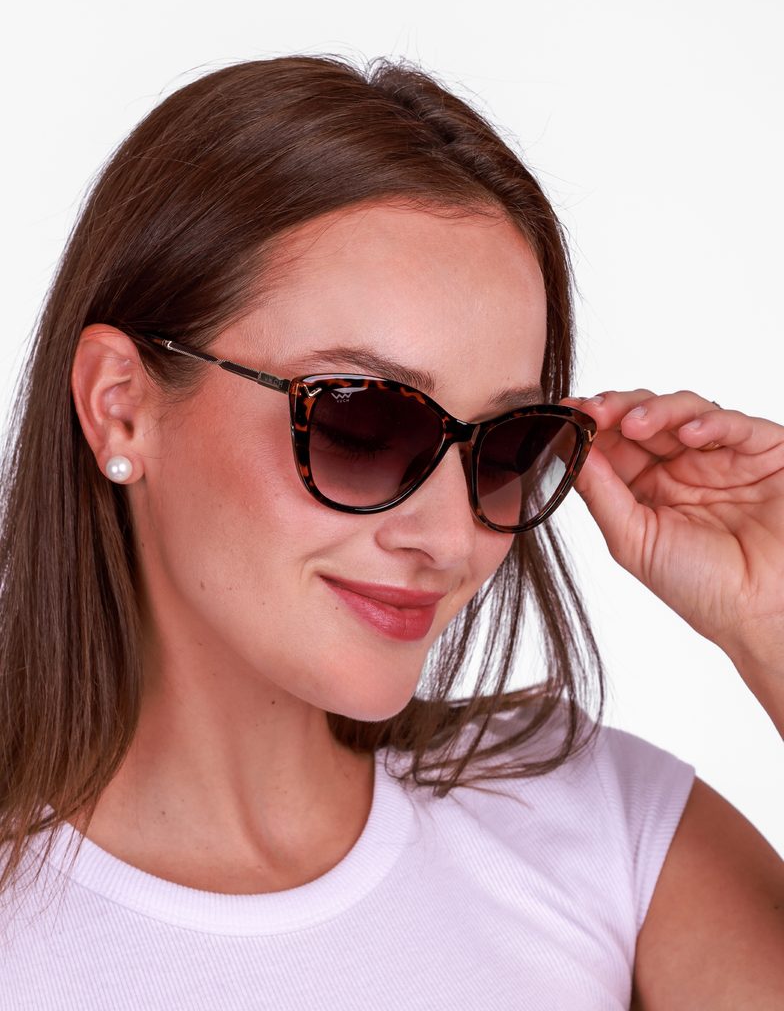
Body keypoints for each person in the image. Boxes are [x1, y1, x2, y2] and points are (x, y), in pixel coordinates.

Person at [0, 53, 781, 1010]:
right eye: (364, 425)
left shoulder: (603, 834)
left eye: (505, 444)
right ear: (120, 407)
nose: (450, 538)